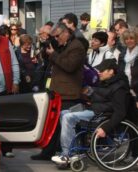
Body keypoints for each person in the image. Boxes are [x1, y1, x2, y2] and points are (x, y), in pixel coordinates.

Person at [51, 58, 133, 164]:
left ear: (111, 71)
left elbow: (120, 112)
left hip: (102, 115)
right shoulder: (107, 83)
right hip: (96, 109)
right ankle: (75, 150)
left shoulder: (119, 88)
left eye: (102, 70)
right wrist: (90, 97)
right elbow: (103, 98)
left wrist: (105, 128)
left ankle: (67, 154)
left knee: (68, 117)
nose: (99, 72)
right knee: (63, 113)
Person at [31, 22, 86, 160]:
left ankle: (69, 153)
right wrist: (48, 50)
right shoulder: (63, 46)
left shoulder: (77, 47)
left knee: (67, 125)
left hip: (69, 92)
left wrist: (54, 54)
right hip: (57, 91)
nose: (56, 39)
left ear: (66, 33)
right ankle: (48, 152)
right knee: (53, 124)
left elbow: (69, 66)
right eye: (54, 37)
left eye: (57, 36)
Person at [118, 29, 138, 107]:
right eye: (126, 39)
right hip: (125, 91)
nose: (129, 41)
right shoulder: (122, 55)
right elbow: (120, 73)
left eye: (131, 38)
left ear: (136, 39)